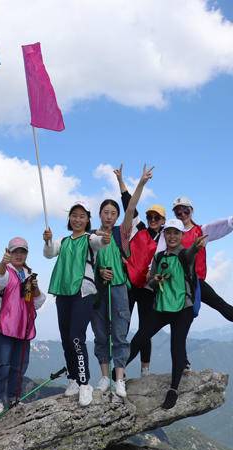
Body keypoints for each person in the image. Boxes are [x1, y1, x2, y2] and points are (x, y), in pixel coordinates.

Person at [167, 197, 233, 341]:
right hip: (177, 284)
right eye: (178, 213)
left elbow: (217, 227)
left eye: (185, 210)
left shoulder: (201, 231)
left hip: (195, 282)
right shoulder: (171, 234)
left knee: (217, 305)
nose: (183, 214)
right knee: (182, 323)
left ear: (191, 211)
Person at [126, 219, 207, 409]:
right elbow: (151, 282)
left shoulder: (184, 255)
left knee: (176, 347)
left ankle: (173, 390)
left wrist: (195, 247)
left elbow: (190, 253)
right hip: (162, 307)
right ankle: (117, 374)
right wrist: (155, 279)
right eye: (168, 233)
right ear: (164, 235)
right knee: (139, 338)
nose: (172, 236)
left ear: (181, 236)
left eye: (175, 233)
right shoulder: (159, 256)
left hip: (182, 309)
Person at [91, 164, 153, 399]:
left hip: (119, 288)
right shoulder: (92, 236)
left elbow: (132, 206)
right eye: (105, 212)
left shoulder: (122, 232)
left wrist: (140, 183)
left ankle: (119, 378)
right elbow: (88, 265)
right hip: (98, 290)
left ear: (117, 216)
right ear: (100, 215)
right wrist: (99, 274)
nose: (109, 216)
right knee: (99, 333)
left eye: (113, 213)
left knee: (119, 333)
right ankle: (105, 376)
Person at [43, 202, 108, 407]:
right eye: (74, 216)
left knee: (76, 337)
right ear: (69, 219)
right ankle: (72, 378)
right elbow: (48, 253)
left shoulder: (90, 239)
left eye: (82, 216)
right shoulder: (63, 241)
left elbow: (100, 242)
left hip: (82, 292)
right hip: (63, 292)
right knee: (65, 338)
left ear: (88, 220)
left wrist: (103, 237)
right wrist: (48, 240)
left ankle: (84, 383)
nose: (77, 219)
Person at [114, 164, 166, 376]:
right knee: (123, 327)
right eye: (150, 217)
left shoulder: (166, 238)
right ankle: (120, 369)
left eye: (157, 218)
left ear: (163, 221)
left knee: (145, 329)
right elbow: (129, 203)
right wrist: (124, 182)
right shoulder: (140, 229)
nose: (153, 220)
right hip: (131, 284)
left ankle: (145, 369)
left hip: (149, 288)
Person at [0, 237, 46, 415]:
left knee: (19, 365)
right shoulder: (6, 271)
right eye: (15, 251)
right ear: (9, 252)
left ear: (26, 254)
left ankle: (13, 398)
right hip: (4, 325)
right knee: (2, 364)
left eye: (22, 251)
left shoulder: (28, 274)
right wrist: (2, 263)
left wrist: (35, 289)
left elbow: (36, 302)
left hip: (23, 327)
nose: (19, 255)